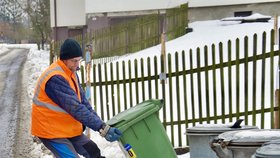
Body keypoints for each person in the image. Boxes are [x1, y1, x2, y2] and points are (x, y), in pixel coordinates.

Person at [31, 38, 122, 158]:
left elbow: (83, 102)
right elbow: (76, 108)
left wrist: (102, 126)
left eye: (79, 61)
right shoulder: (55, 78)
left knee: (93, 151)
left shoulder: (70, 73)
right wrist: (101, 127)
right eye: (74, 61)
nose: (77, 65)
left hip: (65, 128)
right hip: (50, 131)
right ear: (64, 59)